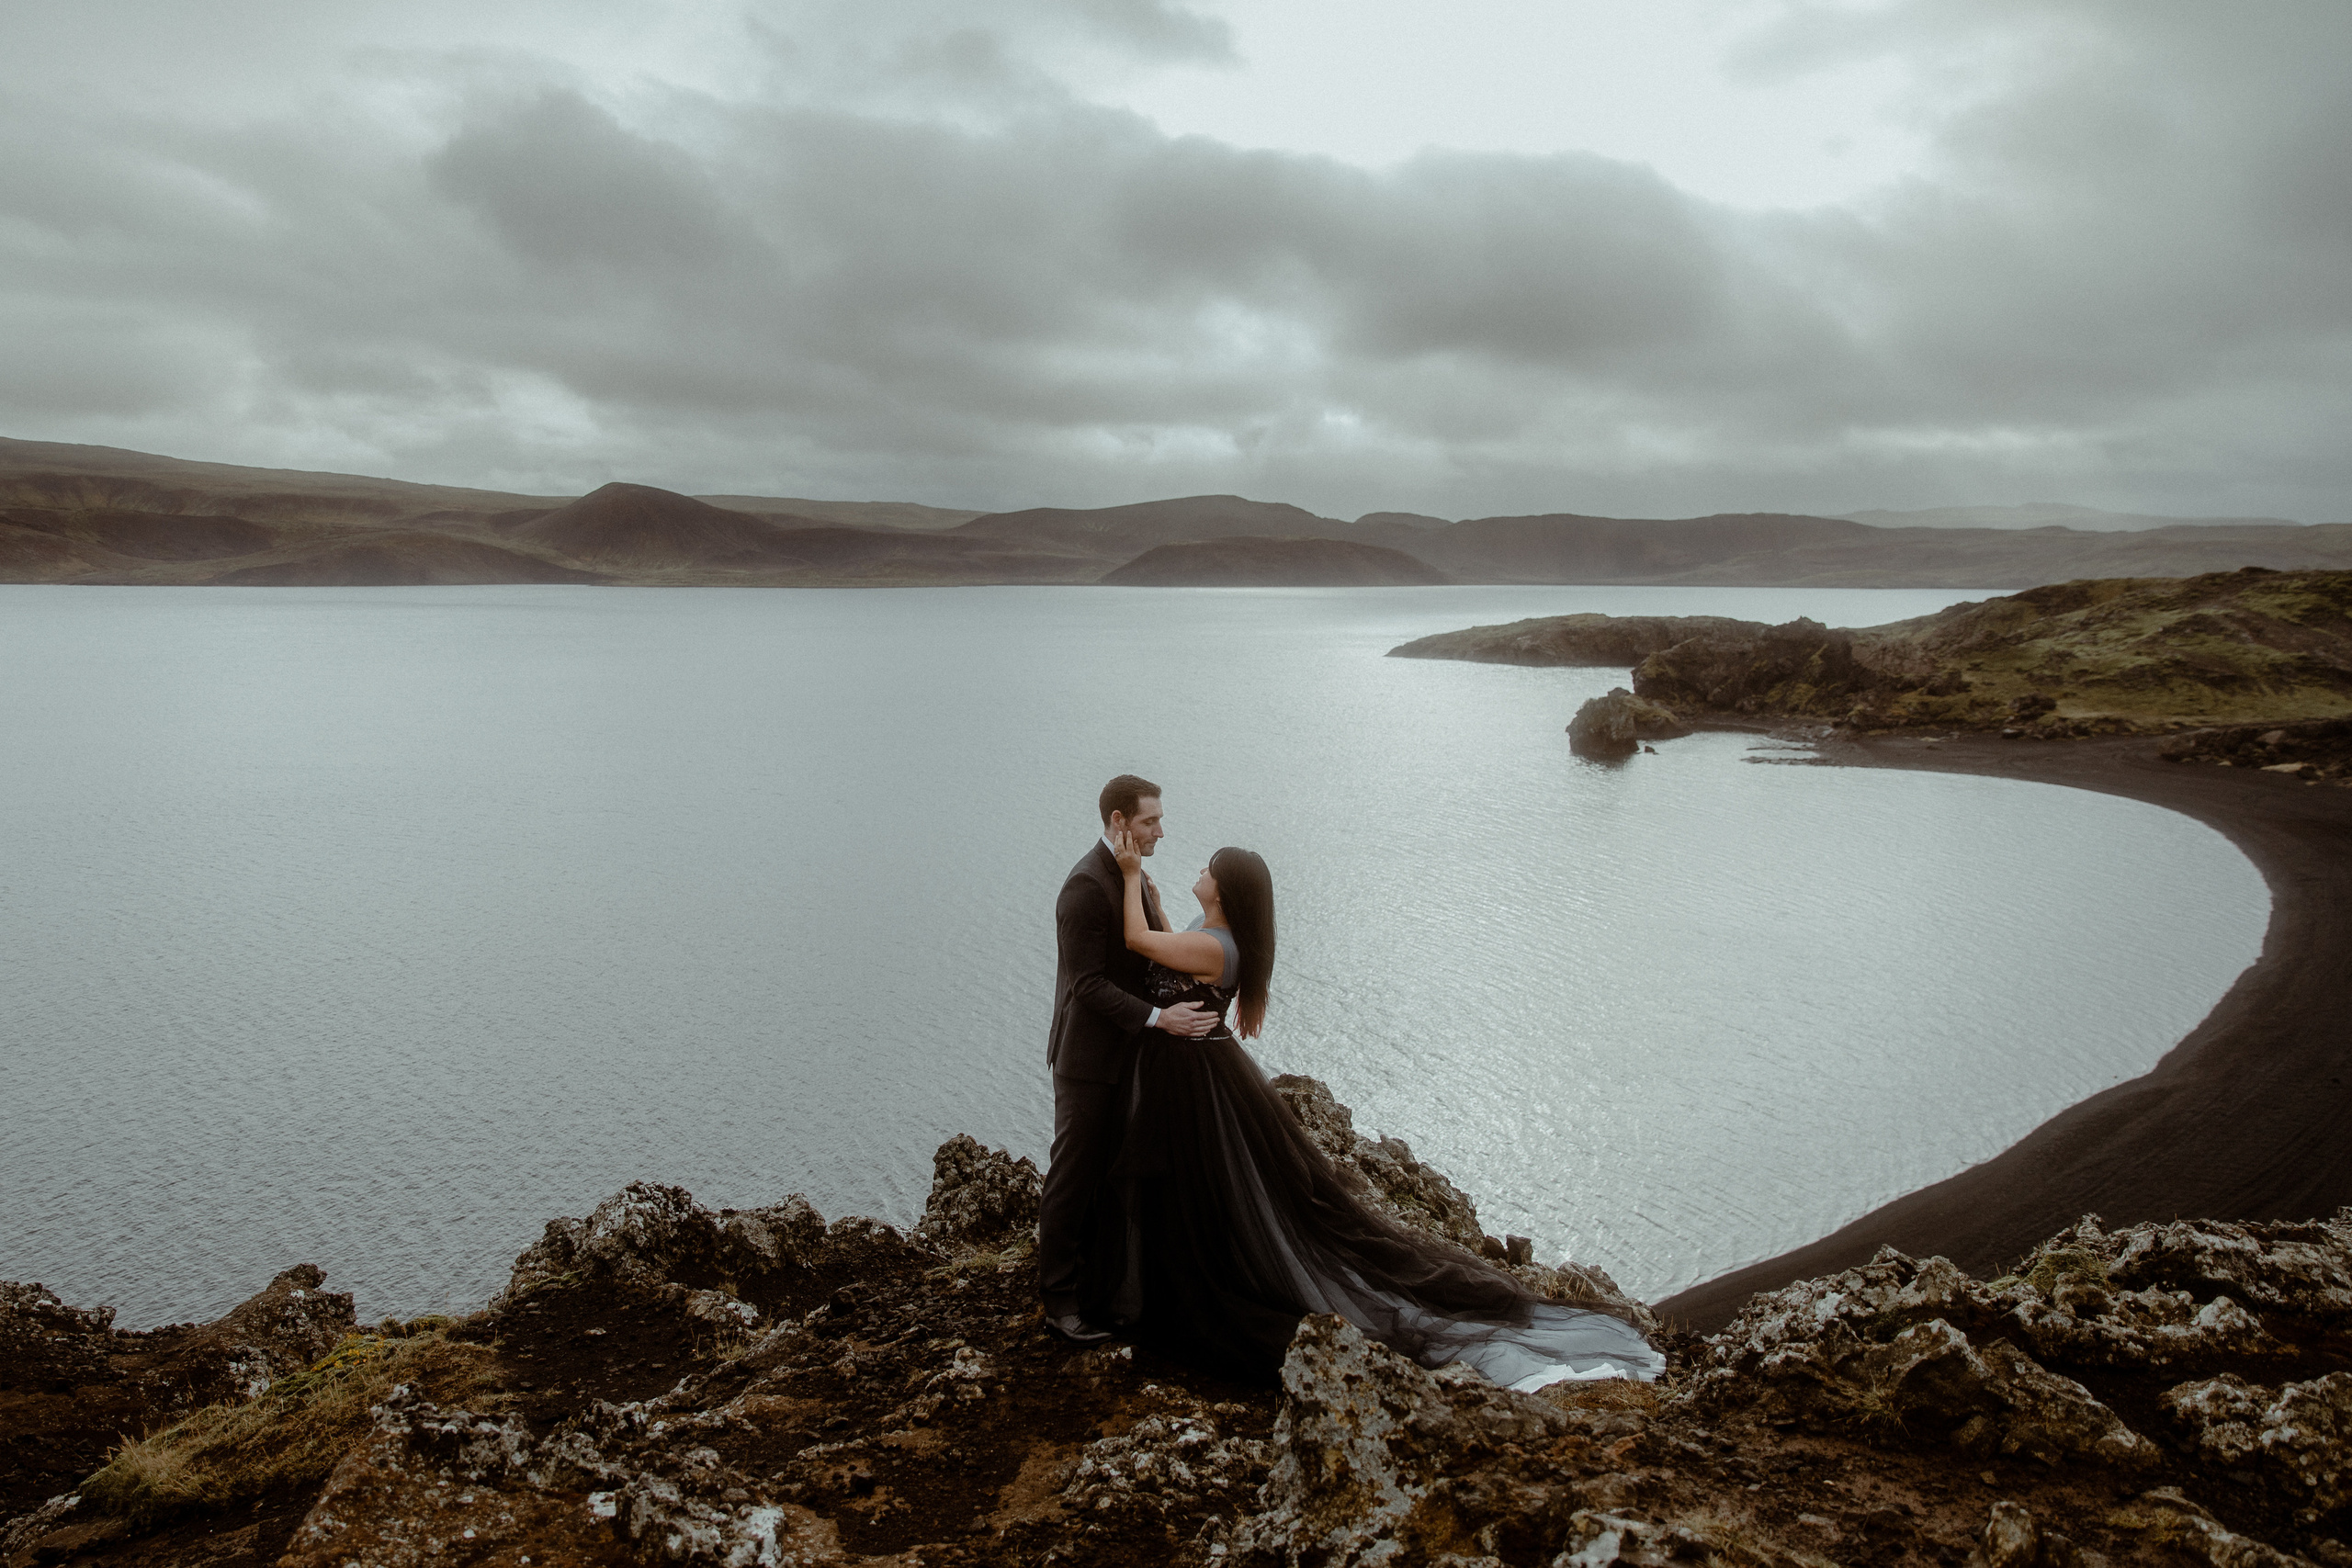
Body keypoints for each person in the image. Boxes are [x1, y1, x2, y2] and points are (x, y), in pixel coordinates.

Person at [1101, 825, 1665, 1390]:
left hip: (1198, 1080)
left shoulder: (1215, 947)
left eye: (1208, 867)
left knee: (1211, 1197)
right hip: (1198, 1072)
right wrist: (1150, 899)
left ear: (1222, 891)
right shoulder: (1209, 935)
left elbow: (1137, 943)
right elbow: (1170, 954)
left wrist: (1129, 880)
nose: (1198, 871)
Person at [1036, 773, 1216, 1345]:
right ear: (1119, 822)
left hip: (1128, 1056)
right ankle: (1059, 1304)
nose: (1161, 830)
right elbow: (1086, 985)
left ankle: (1098, 1289)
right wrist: (1161, 1019)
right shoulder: (1085, 887)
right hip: (1087, 1060)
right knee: (1072, 1176)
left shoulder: (1131, 877)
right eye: (1150, 821)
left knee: (1111, 1175)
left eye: (1160, 819)